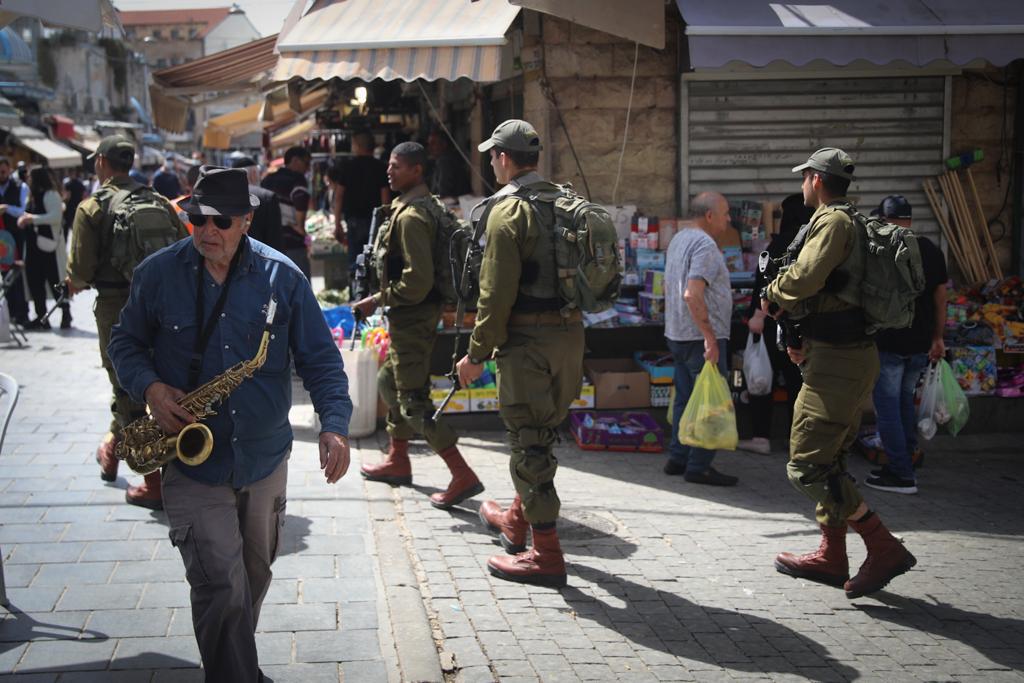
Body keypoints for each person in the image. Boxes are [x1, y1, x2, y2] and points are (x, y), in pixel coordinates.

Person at [108, 165, 353, 683]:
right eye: (197, 220)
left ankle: (234, 666)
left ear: (245, 221)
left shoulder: (282, 276)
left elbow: (321, 360)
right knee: (220, 583)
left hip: (264, 457)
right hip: (191, 461)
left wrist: (333, 425)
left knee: (252, 578)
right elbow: (124, 343)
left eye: (221, 221)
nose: (207, 231)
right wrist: (151, 388)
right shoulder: (158, 273)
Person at [764, 148, 917, 599]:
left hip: (839, 362)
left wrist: (773, 292)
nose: (803, 183)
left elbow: (806, 277)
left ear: (814, 178)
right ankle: (832, 554)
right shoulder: (847, 221)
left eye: (804, 177)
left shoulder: (832, 222)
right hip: (839, 354)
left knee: (806, 465)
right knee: (830, 460)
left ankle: (882, 545)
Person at [455, 119, 581, 587]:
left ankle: (546, 556)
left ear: (504, 159)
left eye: (492, 156)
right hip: (570, 340)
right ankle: (514, 520)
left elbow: (495, 298)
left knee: (529, 443)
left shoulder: (507, 213)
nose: (491, 162)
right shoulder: (568, 204)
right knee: (541, 438)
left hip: (527, 345)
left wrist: (475, 354)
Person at [353, 142, 483, 509]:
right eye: (389, 165)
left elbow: (416, 282)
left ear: (417, 171)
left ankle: (461, 474)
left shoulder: (412, 217)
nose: (389, 172)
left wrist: (375, 300)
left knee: (412, 401)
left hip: (413, 318)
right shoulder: (422, 205)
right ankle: (398, 459)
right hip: (412, 317)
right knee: (386, 381)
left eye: (396, 166)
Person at [65, 135, 190, 510]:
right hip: (163, 305)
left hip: (117, 306)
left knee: (129, 389)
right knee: (164, 380)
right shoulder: (156, 200)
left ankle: (153, 483)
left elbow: (80, 273)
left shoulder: (92, 208)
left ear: (102, 162)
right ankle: (114, 449)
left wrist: (71, 284)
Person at [865, 195, 947, 494]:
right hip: (920, 344)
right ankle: (907, 461)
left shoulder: (879, 253)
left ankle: (901, 474)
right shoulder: (930, 250)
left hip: (889, 343)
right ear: (910, 220)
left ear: (885, 221)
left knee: (887, 410)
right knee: (903, 405)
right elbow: (941, 299)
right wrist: (938, 337)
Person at [662, 192, 739, 486]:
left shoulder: (680, 239)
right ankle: (699, 465)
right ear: (709, 216)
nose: (728, 219)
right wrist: (710, 337)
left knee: (684, 398)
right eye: (725, 213)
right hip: (699, 337)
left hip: (678, 334)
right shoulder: (705, 245)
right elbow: (692, 293)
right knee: (710, 401)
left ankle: (678, 458)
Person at [739, 194, 814, 454]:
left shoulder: (777, 246)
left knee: (762, 381)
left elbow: (763, 285)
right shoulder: (816, 247)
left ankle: (761, 437)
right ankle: (799, 442)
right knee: (799, 385)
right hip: (805, 329)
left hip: (772, 326)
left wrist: (757, 316)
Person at [327, 130, 390, 295]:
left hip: (354, 221)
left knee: (356, 261)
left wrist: (337, 224)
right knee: (376, 260)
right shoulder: (381, 167)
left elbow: (338, 197)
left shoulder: (348, 167)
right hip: (375, 221)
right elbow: (385, 198)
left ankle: (357, 296)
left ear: (358, 146)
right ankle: (375, 296)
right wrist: (387, 222)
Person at [18, 168, 70, 329]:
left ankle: (66, 314)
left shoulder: (51, 195)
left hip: (49, 248)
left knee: (55, 281)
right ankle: (42, 317)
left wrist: (31, 219)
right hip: (33, 246)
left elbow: (55, 217)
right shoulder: (32, 197)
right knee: (35, 282)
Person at [261, 145, 312, 278]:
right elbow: (300, 200)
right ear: (295, 160)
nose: (308, 168)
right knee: (299, 291)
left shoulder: (267, 180)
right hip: (293, 243)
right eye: (306, 163)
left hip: (270, 245)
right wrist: (302, 231)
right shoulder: (298, 179)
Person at [229, 155, 283, 252]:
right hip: (262, 257)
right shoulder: (267, 197)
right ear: (254, 173)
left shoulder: (225, 196)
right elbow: (275, 237)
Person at [0, 157, 30, 326]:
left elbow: (23, 211)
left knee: (18, 275)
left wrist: (6, 208)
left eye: (3, 171)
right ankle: (10, 313)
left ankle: (22, 313)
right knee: (5, 276)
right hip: (1, 241)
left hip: (16, 238)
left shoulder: (20, 187)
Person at [427, 129, 471, 201]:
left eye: (433, 143)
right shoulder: (450, 158)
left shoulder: (445, 161)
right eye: (429, 144)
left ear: (444, 144)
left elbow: (443, 192)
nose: (429, 147)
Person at [62, 168, 87, 240]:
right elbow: (84, 195)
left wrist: (63, 201)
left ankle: (65, 241)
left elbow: (67, 196)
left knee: (66, 226)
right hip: (78, 206)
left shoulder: (68, 184)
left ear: (69, 174)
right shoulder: (80, 183)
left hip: (69, 207)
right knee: (78, 226)